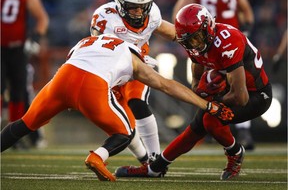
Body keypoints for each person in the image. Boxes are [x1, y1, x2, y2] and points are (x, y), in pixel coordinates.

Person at [0, 33, 234, 182]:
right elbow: (167, 85)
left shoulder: (89, 40)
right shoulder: (133, 58)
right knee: (125, 132)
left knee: (24, 124)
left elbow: (78, 62)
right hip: (91, 84)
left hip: (61, 78)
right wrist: (207, 106)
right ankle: (97, 156)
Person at [115, 4, 272, 180]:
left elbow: (241, 98)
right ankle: (155, 169)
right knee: (196, 127)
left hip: (256, 95)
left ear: (208, 28)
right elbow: (196, 83)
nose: (194, 44)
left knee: (209, 120)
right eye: (189, 41)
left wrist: (212, 101)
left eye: (197, 37)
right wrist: (204, 92)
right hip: (229, 90)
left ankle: (235, 153)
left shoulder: (228, 41)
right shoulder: (194, 44)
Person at [90, 0, 176, 163]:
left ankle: (156, 157)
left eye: (142, 6)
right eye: (132, 6)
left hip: (138, 67)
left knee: (137, 102)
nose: (138, 12)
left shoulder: (152, 13)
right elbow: (96, 46)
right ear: (120, 3)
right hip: (112, 68)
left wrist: (191, 40)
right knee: (124, 123)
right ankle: (145, 159)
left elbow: (167, 30)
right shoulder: (105, 17)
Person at [172, 0, 255, 150]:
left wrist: (245, 34)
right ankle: (214, 128)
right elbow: (179, 17)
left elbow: (246, 10)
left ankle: (240, 131)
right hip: (205, 42)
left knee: (236, 87)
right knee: (209, 86)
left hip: (224, 43)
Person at [1, 0, 49, 148]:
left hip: (17, 49)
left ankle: (12, 137)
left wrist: (34, 39)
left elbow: (42, 18)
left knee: (18, 92)